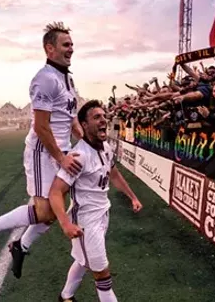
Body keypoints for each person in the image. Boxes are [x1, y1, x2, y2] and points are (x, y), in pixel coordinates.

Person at [0, 22, 84, 278]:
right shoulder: (44, 79)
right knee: (46, 212)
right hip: (43, 152)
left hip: (61, 150)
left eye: (72, 45)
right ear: (49, 49)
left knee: (52, 214)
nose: (71, 49)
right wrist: (60, 157)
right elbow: (42, 127)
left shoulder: (66, 78)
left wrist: (88, 142)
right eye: (65, 45)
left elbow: (71, 119)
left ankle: (20, 247)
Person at [49, 100, 142, 302]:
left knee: (83, 261)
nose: (103, 121)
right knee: (102, 273)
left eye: (104, 116)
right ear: (84, 125)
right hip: (85, 222)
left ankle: (65, 297)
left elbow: (114, 174)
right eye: (96, 117)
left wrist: (132, 197)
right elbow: (55, 192)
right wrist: (65, 223)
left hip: (103, 214)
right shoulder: (79, 156)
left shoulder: (106, 147)